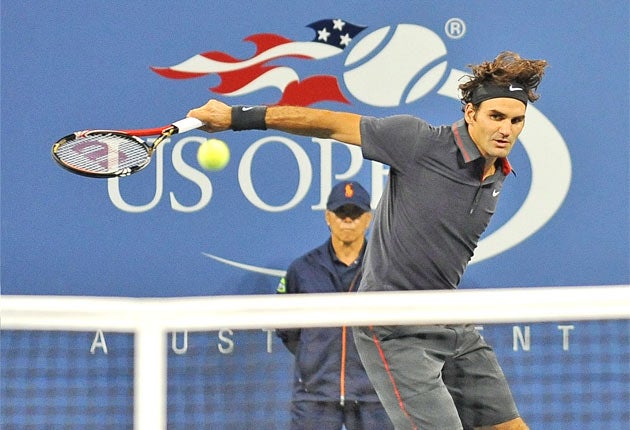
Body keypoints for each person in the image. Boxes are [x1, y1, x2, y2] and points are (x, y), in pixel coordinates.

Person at [188, 51, 548, 429]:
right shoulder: (417, 142)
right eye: (496, 117)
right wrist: (236, 118)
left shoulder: (498, 172)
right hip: (394, 328)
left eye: (516, 120)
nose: (506, 129)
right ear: (470, 112)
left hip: (449, 319)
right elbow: (326, 123)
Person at [275, 180, 394, 430]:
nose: (348, 220)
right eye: (341, 213)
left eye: (355, 214)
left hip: (375, 397)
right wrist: (315, 358)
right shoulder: (303, 269)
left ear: (368, 219)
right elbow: (287, 330)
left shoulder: (385, 269)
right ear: (328, 217)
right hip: (315, 398)